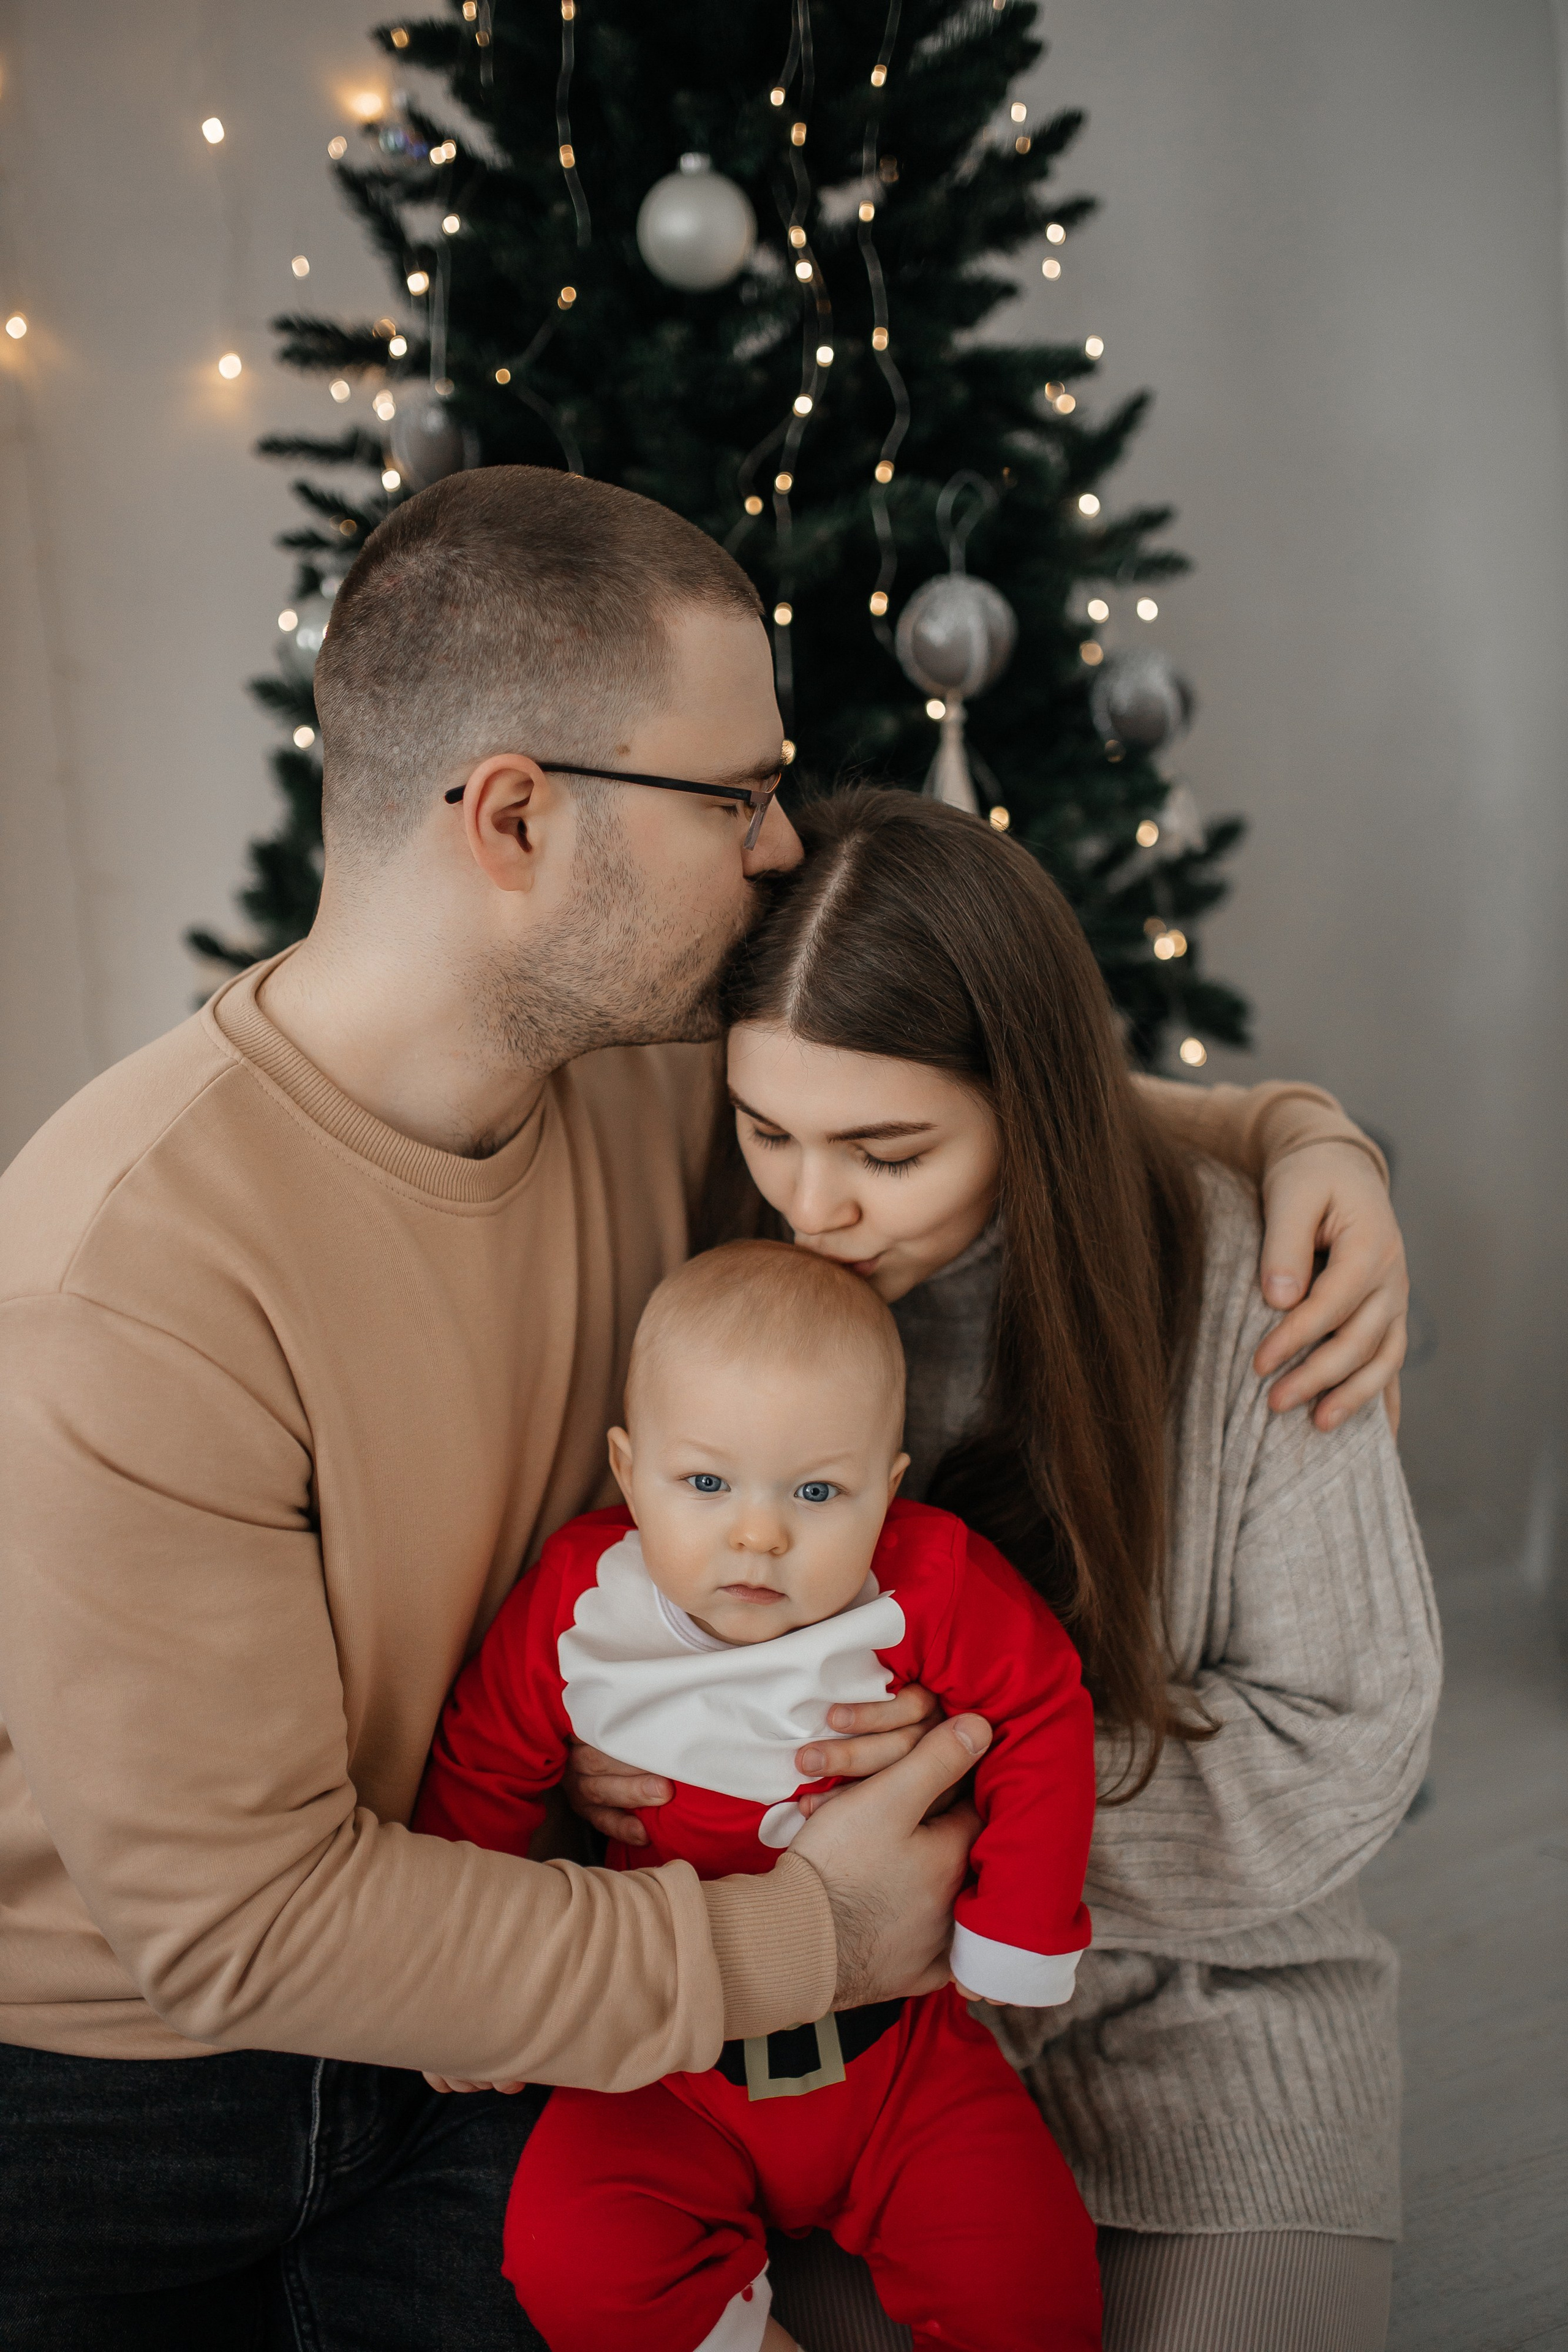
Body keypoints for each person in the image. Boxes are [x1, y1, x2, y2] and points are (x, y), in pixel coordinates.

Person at [0, 466, 1410, 2346]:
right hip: (128, 2092)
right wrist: (806, 1928)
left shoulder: (646, 1090)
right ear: (515, 817)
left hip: (511, 2034)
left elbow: (997, 1096)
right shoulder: (121, 1273)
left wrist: (1303, 1134)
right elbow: (243, 1929)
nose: (778, 848)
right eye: (737, 792)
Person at [571, 786, 1438, 2352]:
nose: (811, 1207)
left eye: (885, 1152)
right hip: (846, 2050)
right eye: (768, 1129)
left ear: (1028, 1106)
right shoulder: (729, 1293)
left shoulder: (1253, 1283)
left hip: (1212, 2014)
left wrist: (964, 1812)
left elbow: (1344, 1745)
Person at [417, 1240, 1102, 2352]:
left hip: (899, 2055)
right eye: (705, 1484)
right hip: (665, 2061)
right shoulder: (583, 1606)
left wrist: (1016, 1928)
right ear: (630, 1471)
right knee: (569, 2259)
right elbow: (484, 1769)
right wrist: (474, 1985)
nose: (759, 1533)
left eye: (818, 1492)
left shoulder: (927, 1581)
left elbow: (1041, 1710)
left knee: (1033, 2285)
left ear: (887, 1491)